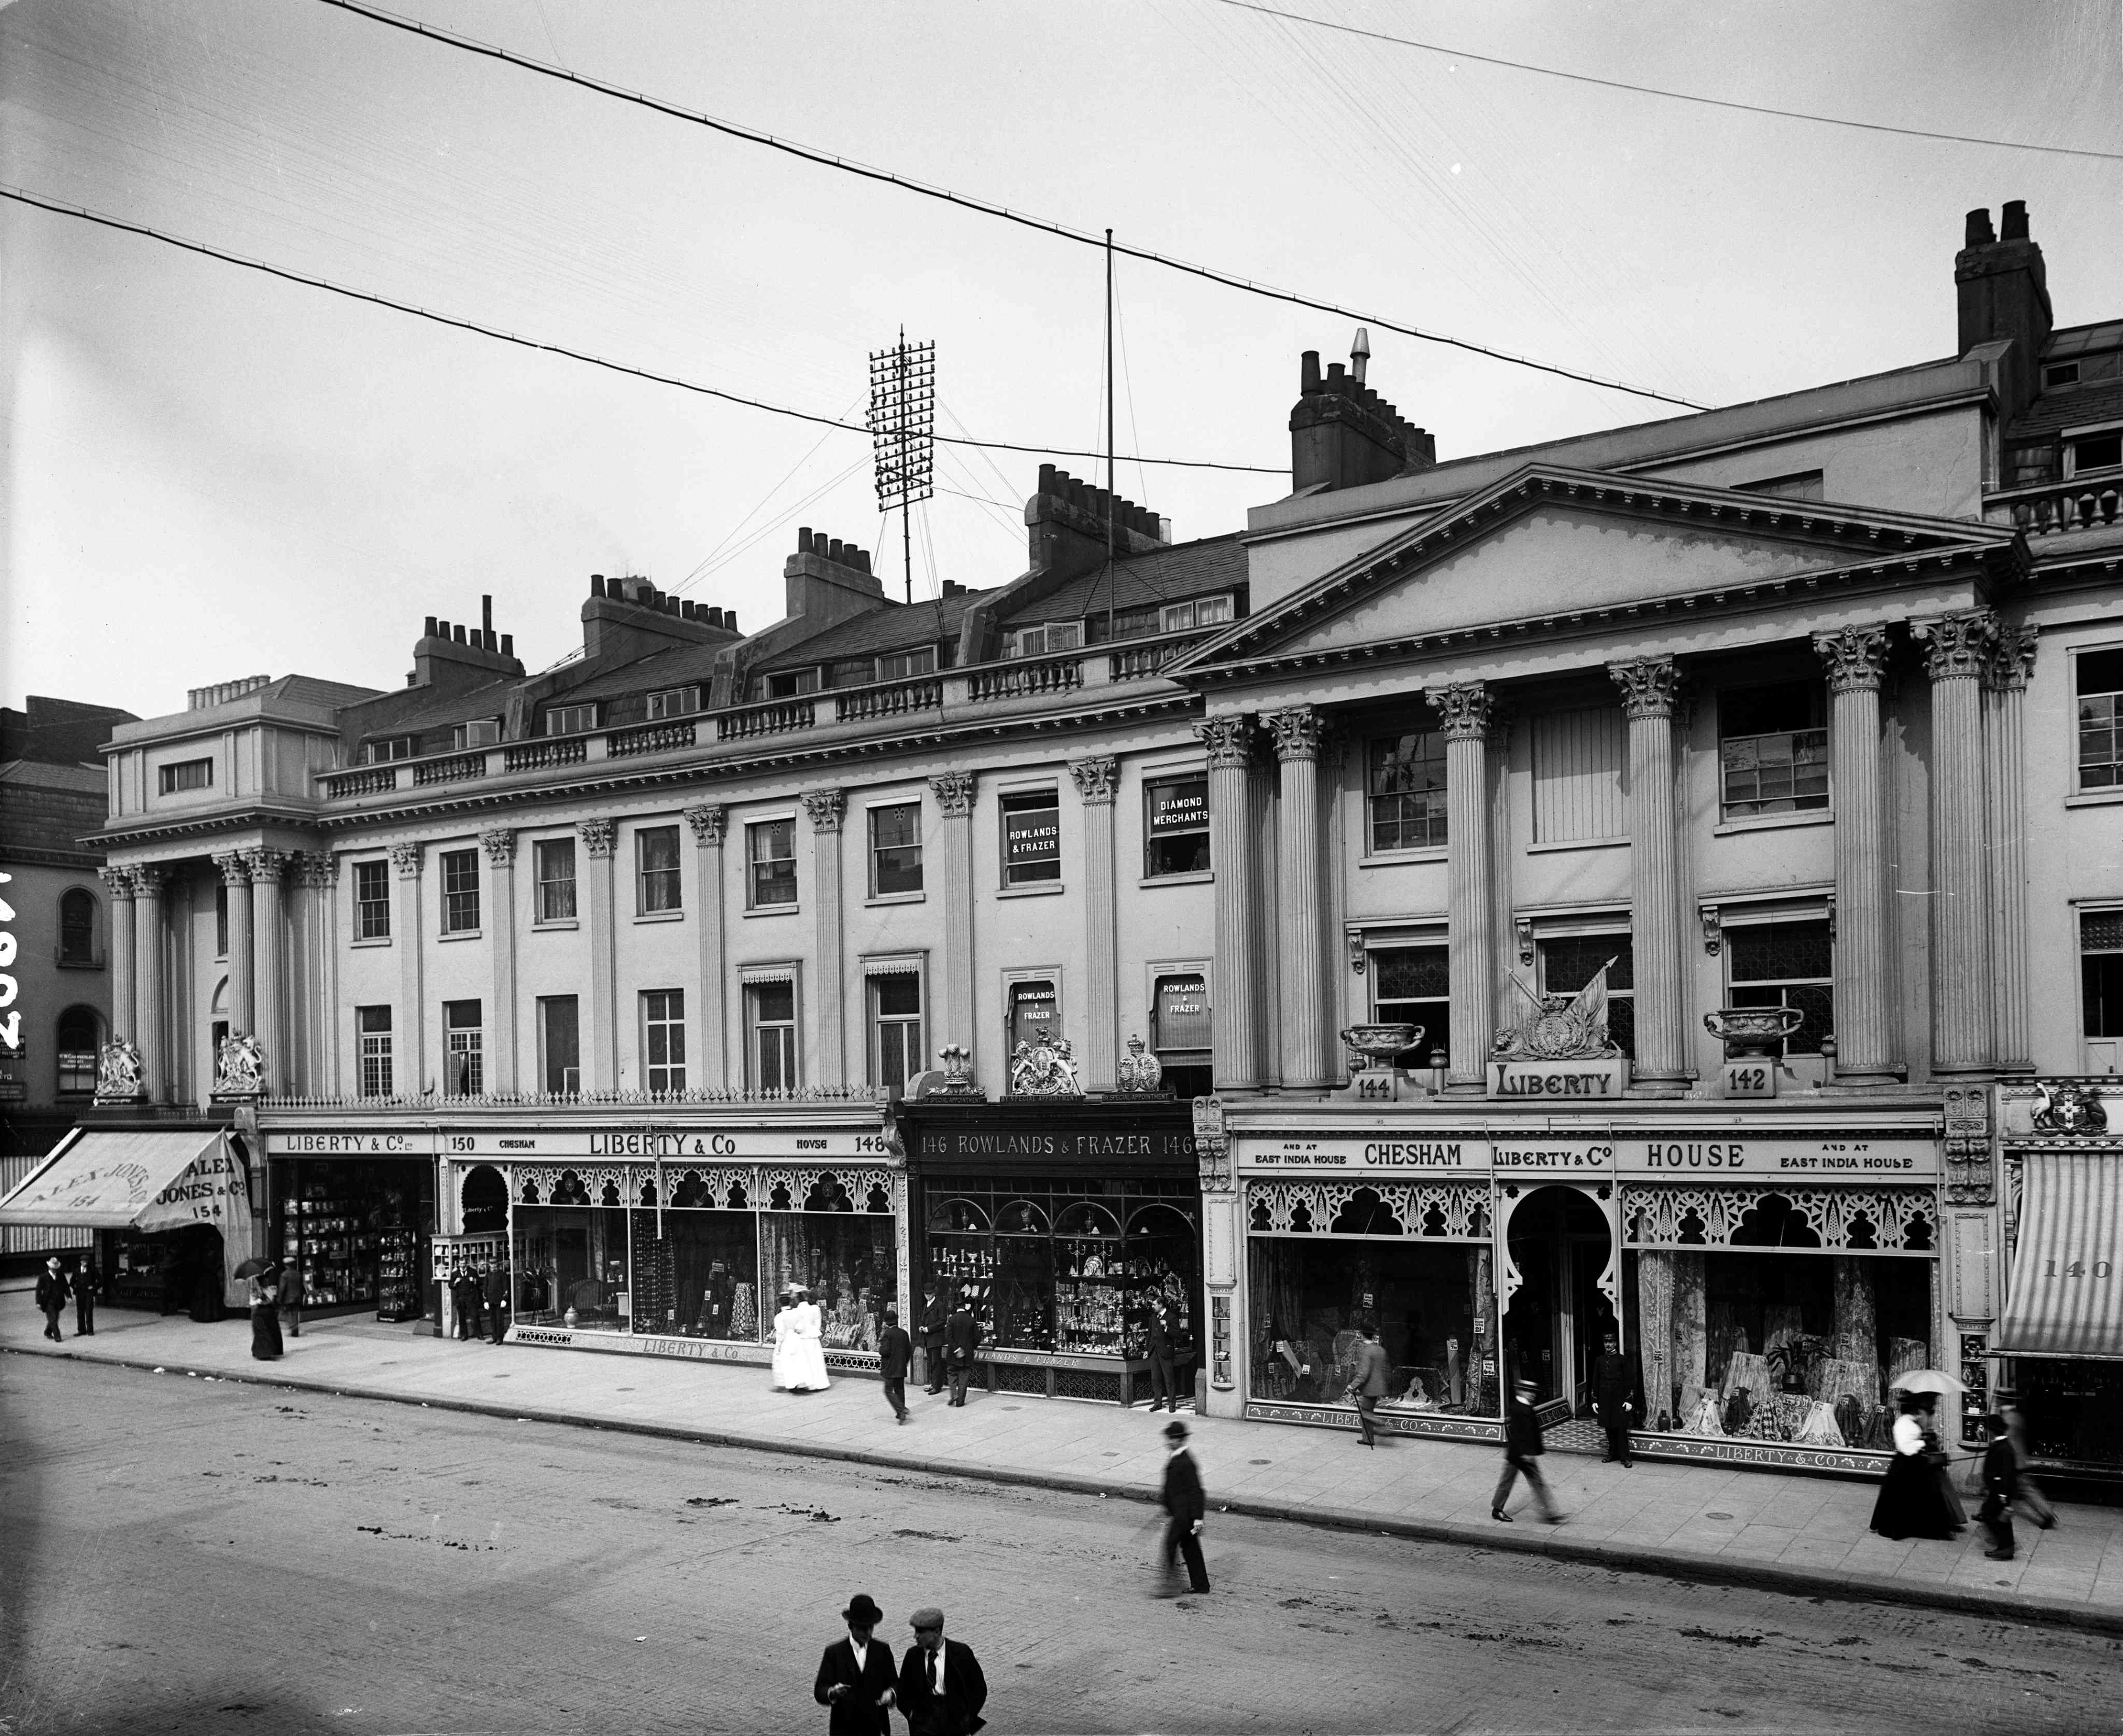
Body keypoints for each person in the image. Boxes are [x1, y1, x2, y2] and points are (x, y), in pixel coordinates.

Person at [1869, 1393, 1962, 1541]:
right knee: (1905, 1497)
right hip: (1905, 1464)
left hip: (1915, 1464)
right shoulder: (1903, 1423)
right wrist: (1922, 1442)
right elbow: (1906, 1448)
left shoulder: (1913, 1421)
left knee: (1920, 1495)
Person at [813, 1592, 898, 1735]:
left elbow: (895, 1682)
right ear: (851, 1626)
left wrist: (891, 1694)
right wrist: (833, 1693)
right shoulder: (834, 1653)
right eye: (862, 1628)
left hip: (876, 1728)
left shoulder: (882, 1650)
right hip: (845, 1729)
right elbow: (820, 1690)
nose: (868, 1633)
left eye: (871, 1627)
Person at [897, 1607, 986, 1736]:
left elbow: (979, 1688)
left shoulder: (961, 1653)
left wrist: (968, 1717)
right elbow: (903, 1690)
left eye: (920, 1632)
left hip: (953, 1718)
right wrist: (911, 1714)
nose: (915, 1636)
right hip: (924, 1720)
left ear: (937, 1632)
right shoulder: (913, 1656)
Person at [1493, 1377, 1562, 1523]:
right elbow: (1519, 1434)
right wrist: (1526, 1453)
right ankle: (1497, 1510)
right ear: (1521, 1392)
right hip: (1520, 1455)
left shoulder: (1524, 1406)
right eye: (1528, 1392)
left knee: (1536, 1482)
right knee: (1508, 1482)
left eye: (1533, 1392)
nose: (1532, 1395)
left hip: (1523, 1454)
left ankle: (1550, 1513)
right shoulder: (1519, 1409)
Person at [1158, 1417, 1211, 1594]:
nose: (1169, 1442)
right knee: (1191, 1549)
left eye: (1171, 1438)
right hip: (1182, 1514)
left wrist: (1198, 1518)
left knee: (1170, 1545)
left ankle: (1171, 1585)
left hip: (1184, 1516)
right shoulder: (1178, 1458)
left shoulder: (1186, 1462)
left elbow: (1196, 1491)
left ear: (1179, 1440)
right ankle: (1201, 1585)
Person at [2003, 1401, 2059, 1531]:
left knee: (2025, 1490)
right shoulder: (2016, 1416)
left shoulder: (2009, 1418)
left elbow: (2008, 1440)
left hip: (2014, 1462)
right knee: (2027, 1491)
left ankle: (2047, 1514)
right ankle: (2047, 1513)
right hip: (2020, 1460)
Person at [1977, 1411, 2020, 1561]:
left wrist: (2003, 1495)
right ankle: (2006, 1548)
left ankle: (2006, 1548)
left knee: (1992, 1517)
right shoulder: (2000, 1445)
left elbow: (2007, 1473)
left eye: (1988, 1430)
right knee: (2000, 1519)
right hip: (1996, 1490)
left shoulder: (2004, 1448)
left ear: (1992, 1431)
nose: (1986, 1433)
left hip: (2001, 1491)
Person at [1590, 1333, 1635, 1467]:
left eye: (1611, 1342)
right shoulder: (1600, 1360)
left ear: (1616, 1343)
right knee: (1609, 1428)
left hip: (1619, 1400)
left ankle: (1625, 1458)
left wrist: (1629, 1400)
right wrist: (1594, 1400)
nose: (1608, 1344)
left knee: (1621, 1430)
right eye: (1606, 1342)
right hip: (1605, 1400)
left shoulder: (1622, 1360)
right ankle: (1612, 1453)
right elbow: (1595, 1381)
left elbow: (1629, 1381)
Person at [1344, 1321, 1390, 1449]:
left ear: (1363, 1336)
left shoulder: (1366, 1352)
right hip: (1379, 1387)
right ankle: (1368, 1439)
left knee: (1365, 1413)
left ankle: (1382, 1424)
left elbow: (1363, 1374)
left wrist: (1352, 1386)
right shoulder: (1381, 1350)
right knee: (1367, 1411)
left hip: (1370, 1387)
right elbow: (1386, 1370)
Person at [943, 1292, 980, 1408]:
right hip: (967, 1354)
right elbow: (977, 1338)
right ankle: (960, 1401)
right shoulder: (971, 1320)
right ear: (965, 1306)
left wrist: (956, 1349)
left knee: (952, 1373)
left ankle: (954, 1394)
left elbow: (948, 1337)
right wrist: (970, 1348)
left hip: (954, 1354)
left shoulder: (952, 1320)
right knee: (964, 1376)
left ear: (956, 1306)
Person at [877, 1308, 913, 1425]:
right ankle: (901, 1411)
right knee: (900, 1389)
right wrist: (904, 1362)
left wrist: (881, 1347)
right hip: (901, 1366)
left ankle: (901, 1410)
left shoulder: (888, 1334)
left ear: (887, 1323)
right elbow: (909, 1351)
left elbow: (884, 1351)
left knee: (888, 1390)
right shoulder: (904, 1333)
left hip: (890, 1367)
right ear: (897, 1320)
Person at [1143, 1303, 1177, 1413]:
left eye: (1155, 1305)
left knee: (1169, 1379)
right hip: (1154, 1352)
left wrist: (1167, 1326)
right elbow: (1150, 1335)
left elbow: (1178, 1335)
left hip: (1166, 1351)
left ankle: (1172, 1405)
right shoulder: (1153, 1317)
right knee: (1155, 1379)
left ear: (1161, 1305)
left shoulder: (1172, 1317)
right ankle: (1157, 1403)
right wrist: (1147, 1350)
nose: (1153, 1306)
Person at [248, 1263, 284, 1361]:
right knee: (262, 1333)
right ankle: (263, 1353)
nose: (266, 1282)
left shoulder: (269, 1289)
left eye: (266, 1281)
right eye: (264, 1281)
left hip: (269, 1313)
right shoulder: (255, 1290)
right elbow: (252, 1302)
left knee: (271, 1332)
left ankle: (267, 1351)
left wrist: (269, 1296)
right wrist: (260, 1300)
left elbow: (272, 1299)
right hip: (259, 1313)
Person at [919, 1287, 949, 1395]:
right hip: (928, 1338)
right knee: (932, 1363)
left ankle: (937, 1386)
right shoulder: (926, 1305)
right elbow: (923, 1319)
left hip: (936, 1338)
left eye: (930, 1294)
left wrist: (929, 1328)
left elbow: (942, 1321)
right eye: (926, 1294)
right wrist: (922, 1327)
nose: (928, 1296)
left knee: (936, 1363)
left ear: (934, 1293)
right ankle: (933, 1384)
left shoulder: (939, 1306)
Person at [34, 1255, 69, 1342]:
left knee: (55, 1318)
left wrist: (69, 1296)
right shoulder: (43, 1277)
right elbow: (38, 1290)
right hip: (48, 1301)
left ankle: (47, 1332)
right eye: (53, 1268)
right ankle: (58, 1336)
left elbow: (66, 1286)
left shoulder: (61, 1276)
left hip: (58, 1301)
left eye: (56, 1268)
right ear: (49, 1267)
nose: (55, 1270)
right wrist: (38, 1303)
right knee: (53, 1318)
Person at [483, 1258, 512, 1345]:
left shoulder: (502, 1274)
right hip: (490, 1301)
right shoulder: (488, 1275)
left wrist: (504, 1299)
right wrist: (485, 1301)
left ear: (497, 1264)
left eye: (495, 1264)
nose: (493, 1266)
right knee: (492, 1320)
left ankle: (500, 1338)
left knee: (499, 1320)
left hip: (499, 1301)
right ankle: (494, 1337)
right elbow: (485, 1288)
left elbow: (506, 1287)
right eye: (491, 1264)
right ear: (489, 1265)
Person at [73, 1257, 98, 1337]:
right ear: (81, 1262)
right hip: (80, 1294)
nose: (85, 1262)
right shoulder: (77, 1271)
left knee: (89, 1312)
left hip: (88, 1294)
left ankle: (90, 1330)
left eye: (87, 1261)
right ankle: (81, 1330)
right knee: (80, 1313)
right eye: (83, 1261)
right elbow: (72, 1282)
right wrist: (75, 1287)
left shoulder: (92, 1270)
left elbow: (101, 1280)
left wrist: (93, 1287)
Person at [278, 1261, 304, 1340]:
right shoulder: (298, 1274)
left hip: (288, 1298)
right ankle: (295, 1331)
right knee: (295, 1314)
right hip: (297, 1298)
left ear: (286, 1265)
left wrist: (280, 1298)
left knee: (284, 1314)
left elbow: (282, 1288)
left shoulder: (284, 1275)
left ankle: (293, 1326)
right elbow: (301, 1287)